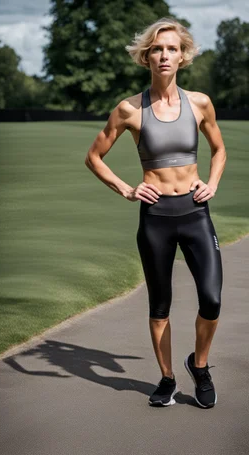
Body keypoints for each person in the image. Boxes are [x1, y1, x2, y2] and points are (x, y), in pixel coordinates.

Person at [85, 17, 226, 409]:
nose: (164, 55)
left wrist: (211, 183)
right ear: (147, 57)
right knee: (159, 304)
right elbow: (94, 157)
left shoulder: (199, 103)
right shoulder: (129, 109)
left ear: (183, 56)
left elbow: (219, 150)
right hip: (155, 218)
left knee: (211, 299)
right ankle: (167, 378)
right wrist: (128, 189)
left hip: (196, 213)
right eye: (157, 49)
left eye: (172, 49)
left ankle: (199, 366)